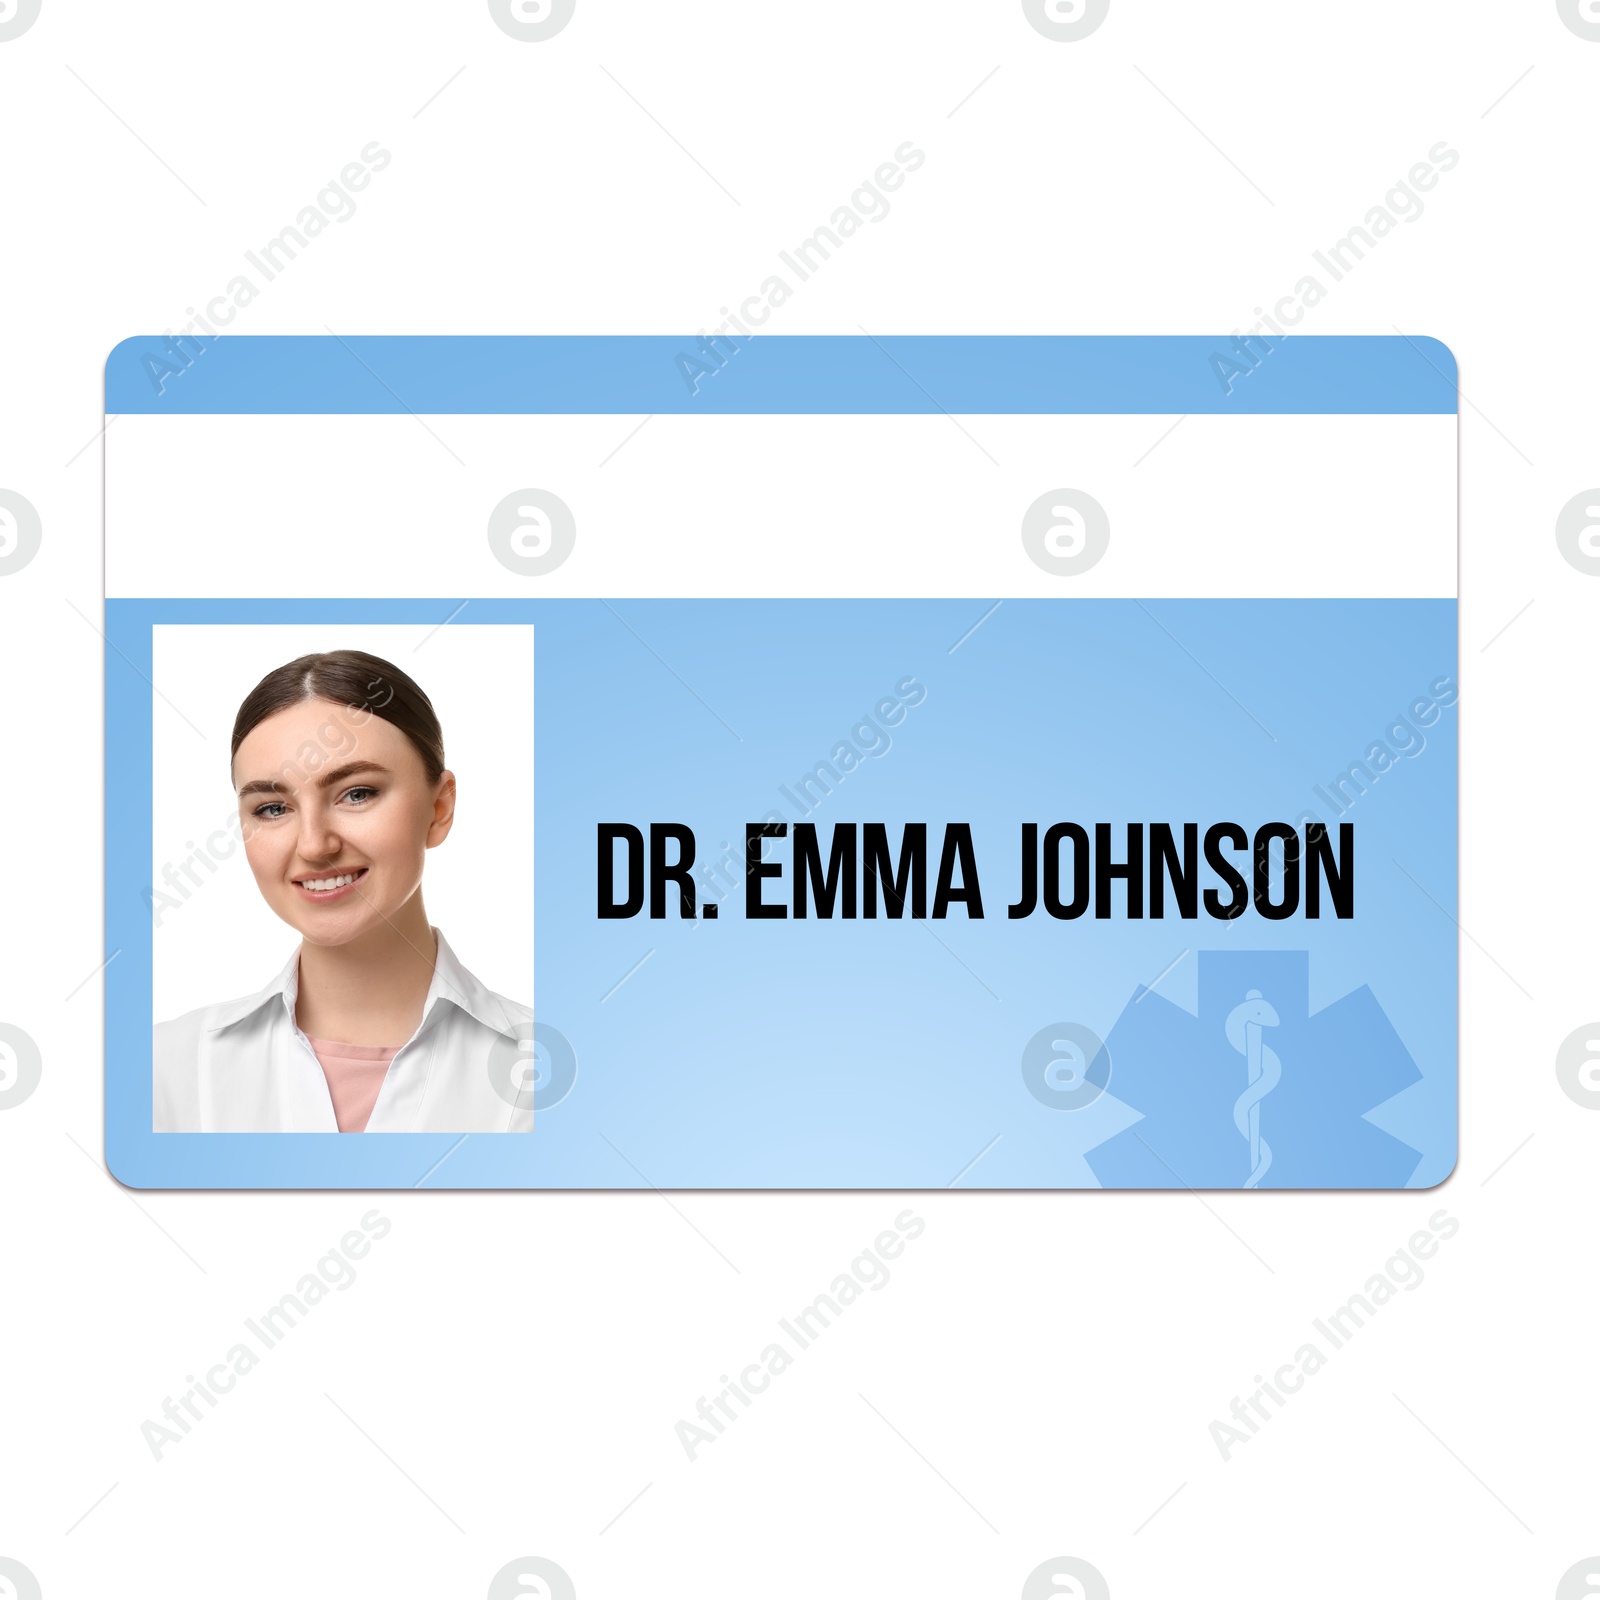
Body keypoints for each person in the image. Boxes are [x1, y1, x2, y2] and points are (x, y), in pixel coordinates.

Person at [153, 650, 532, 1133]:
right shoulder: (163, 1070)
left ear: (439, 808)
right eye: (272, 808)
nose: (314, 845)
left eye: (357, 794)